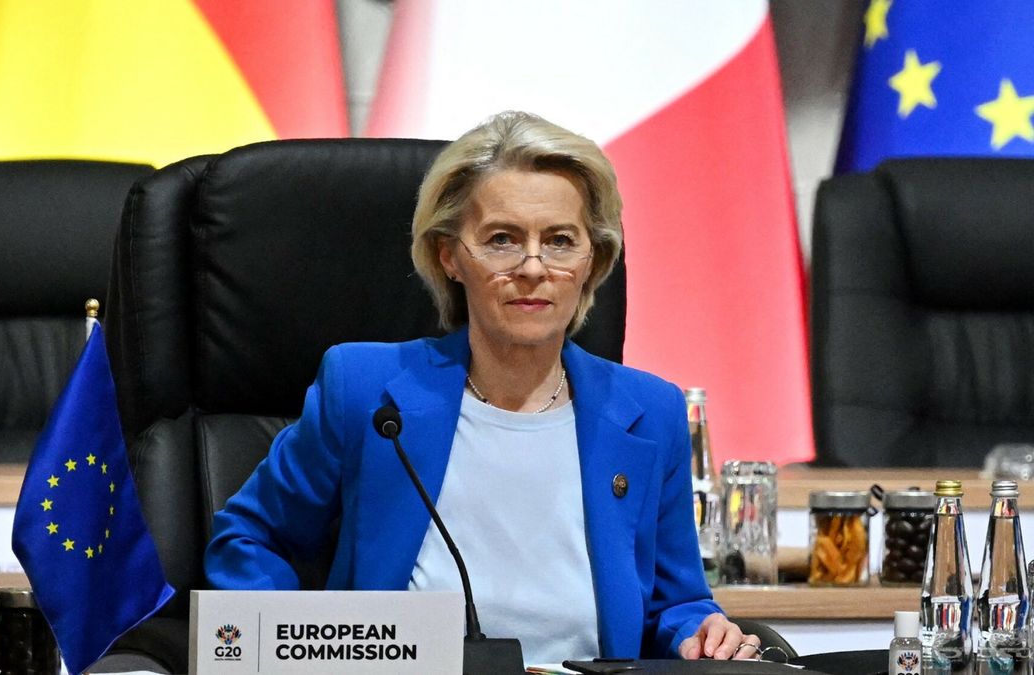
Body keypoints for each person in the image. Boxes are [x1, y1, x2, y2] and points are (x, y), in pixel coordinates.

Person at [205, 111, 759, 663]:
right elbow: (249, 540)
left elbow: (675, 601)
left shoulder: (649, 412)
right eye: (502, 239)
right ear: (449, 256)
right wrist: (289, 655)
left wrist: (702, 632)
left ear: (594, 261)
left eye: (561, 241)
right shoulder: (366, 391)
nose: (533, 267)